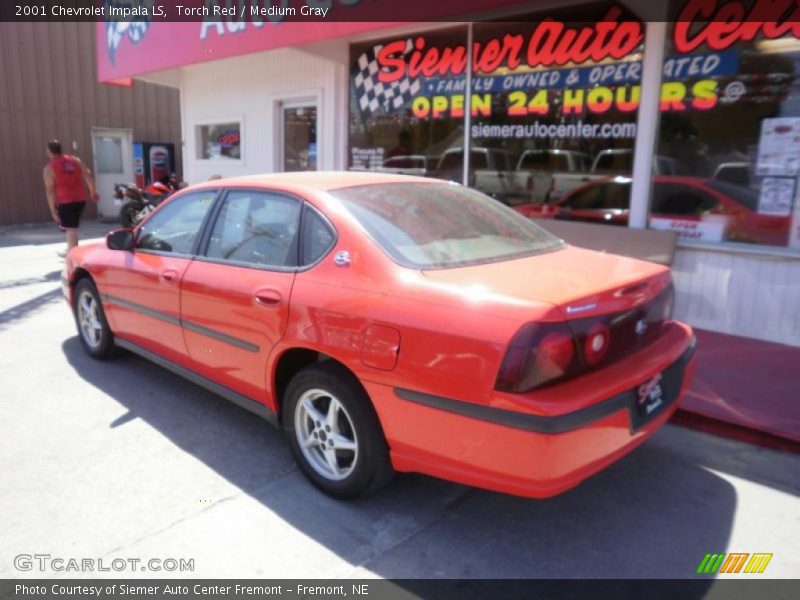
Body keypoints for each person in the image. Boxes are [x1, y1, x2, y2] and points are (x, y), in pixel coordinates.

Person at [42, 140, 98, 255]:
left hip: (66, 201)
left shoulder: (49, 168)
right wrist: (93, 191)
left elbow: (50, 190)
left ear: (49, 151)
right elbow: (87, 175)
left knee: (70, 228)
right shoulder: (75, 160)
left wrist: (52, 210)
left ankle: (73, 254)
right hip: (80, 199)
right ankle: (72, 250)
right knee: (72, 226)